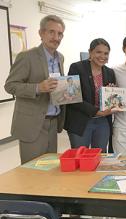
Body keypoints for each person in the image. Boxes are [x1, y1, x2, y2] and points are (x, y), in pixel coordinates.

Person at [4, 15, 65, 164]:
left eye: (60, 34)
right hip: (32, 124)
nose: (56, 37)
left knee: (50, 169)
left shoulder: (60, 58)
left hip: (53, 122)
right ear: (41, 33)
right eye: (51, 32)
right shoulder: (26, 57)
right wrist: (38, 87)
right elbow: (10, 85)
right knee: (31, 172)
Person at [64, 38, 116, 152]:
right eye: (98, 52)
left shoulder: (110, 72)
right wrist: (95, 111)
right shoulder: (77, 68)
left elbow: (111, 98)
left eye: (106, 53)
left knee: (100, 157)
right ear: (90, 52)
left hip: (102, 121)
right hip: (81, 121)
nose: (102, 56)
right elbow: (72, 97)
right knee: (80, 156)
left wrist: (112, 94)